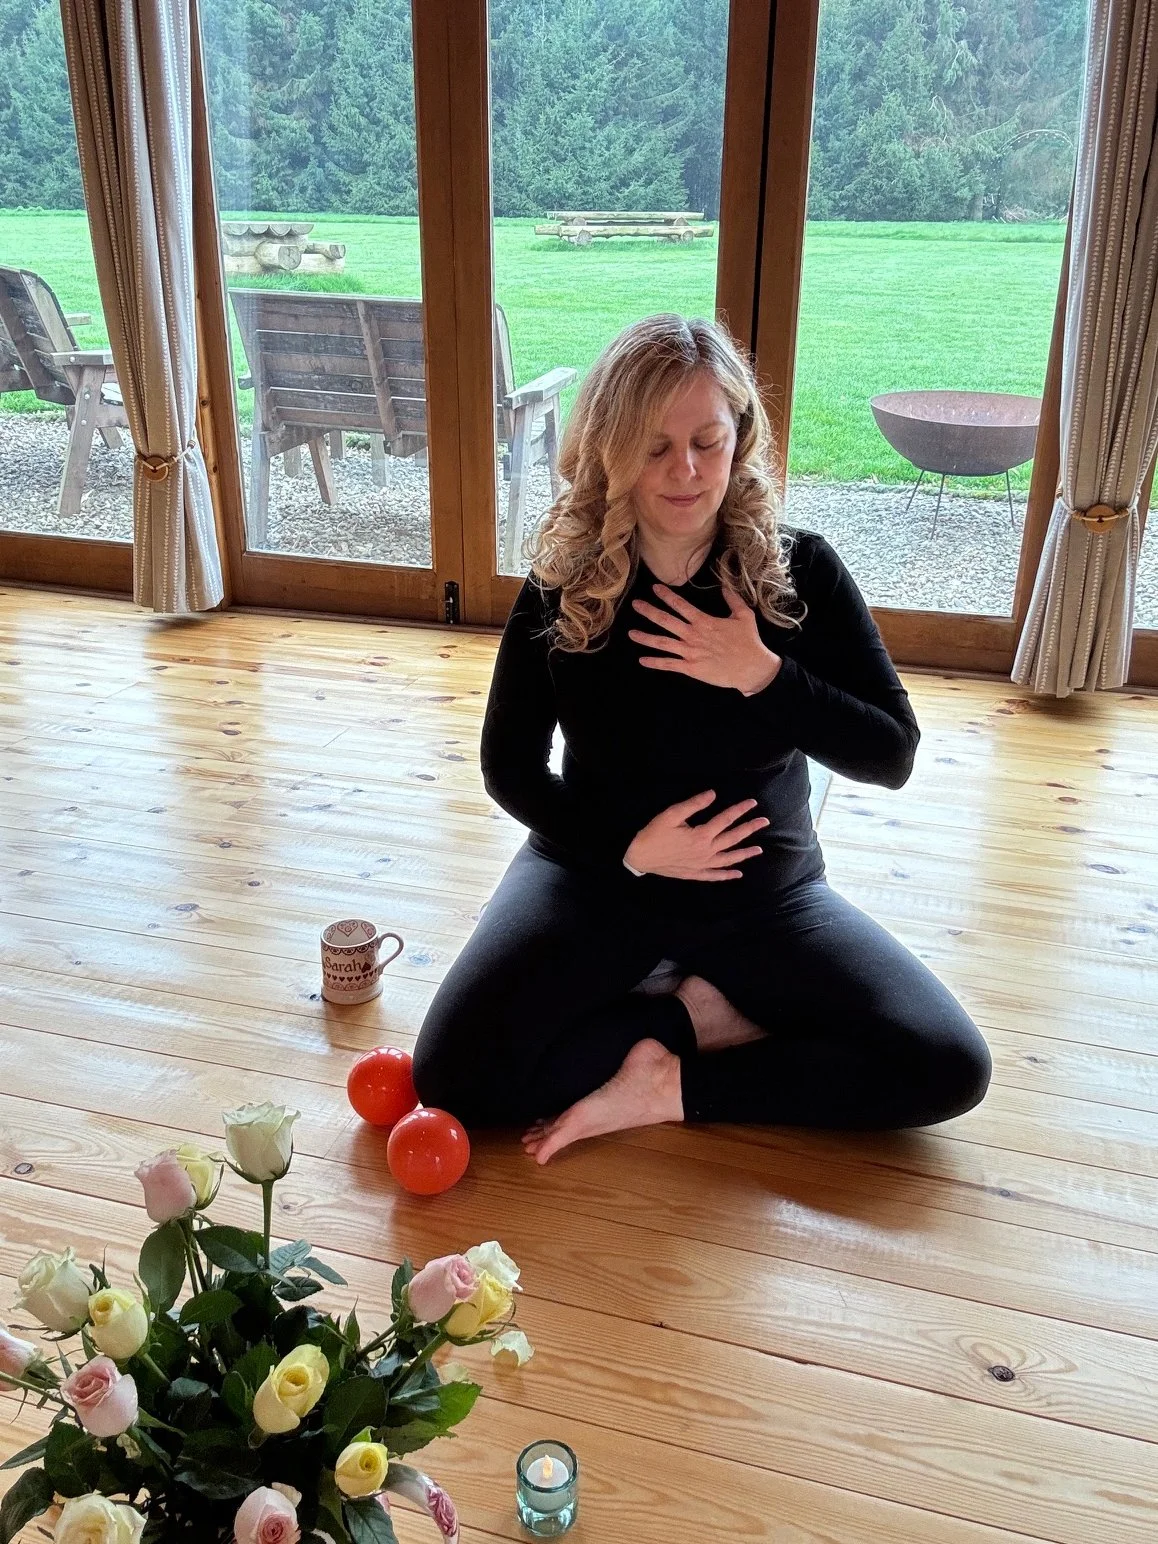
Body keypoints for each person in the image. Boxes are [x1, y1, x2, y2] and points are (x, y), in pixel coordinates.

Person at [412, 314, 991, 1164]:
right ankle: (697, 1018)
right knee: (454, 1078)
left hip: (763, 896)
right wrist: (630, 849)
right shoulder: (564, 581)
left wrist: (761, 671)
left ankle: (671, 1084)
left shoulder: (802, 572)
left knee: (946, 1065)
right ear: (609, 449)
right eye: (654, 448)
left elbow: (891, 753)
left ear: (739, 439)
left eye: (707, 442)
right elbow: (510, 766)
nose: (686, 471)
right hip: (596, 874)